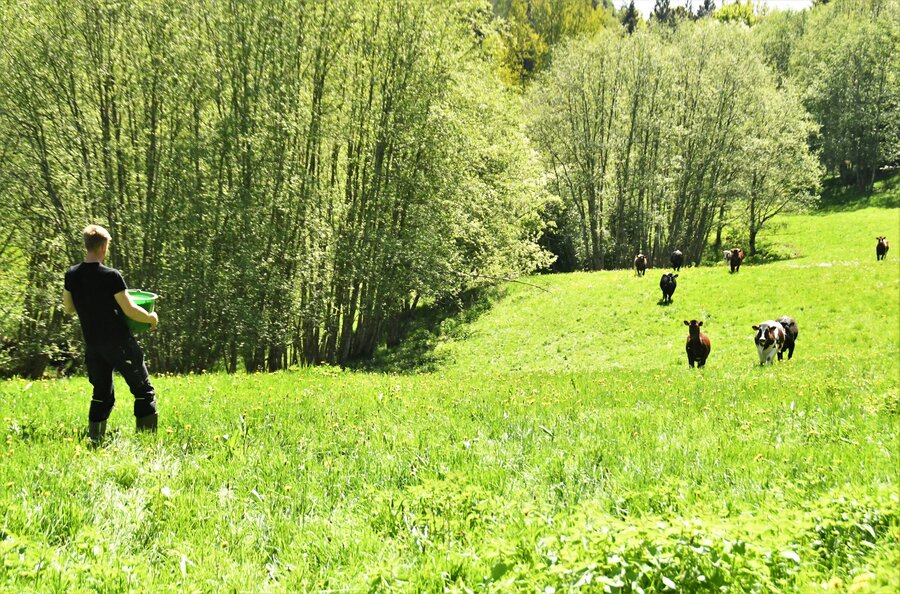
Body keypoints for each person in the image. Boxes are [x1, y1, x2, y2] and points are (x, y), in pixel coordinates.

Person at [62, 224, 159, 443]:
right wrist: (151, 319)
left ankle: (96, 440)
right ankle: (148, 442)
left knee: (101, 394)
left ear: (86, 246)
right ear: (104, 247)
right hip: (119, 343)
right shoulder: (112, 276)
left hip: (94, 345)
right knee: (144, 391)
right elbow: (131, 309)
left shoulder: (72, 275)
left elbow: (68, 308)